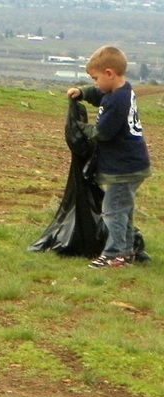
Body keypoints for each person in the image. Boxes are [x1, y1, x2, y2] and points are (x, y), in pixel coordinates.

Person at [66, 46, 151, 268]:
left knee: (113, 211)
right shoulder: (121, 91)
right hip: (133, 165)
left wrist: (81, 128)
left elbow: (102, 133)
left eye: (95, 78)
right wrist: (82, 92)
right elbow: (100, 93)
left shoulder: (116, 101)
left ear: (109, 73)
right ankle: (129, 249)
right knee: (123, 210)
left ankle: (115, 254)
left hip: (124, 168)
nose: (95, 83)